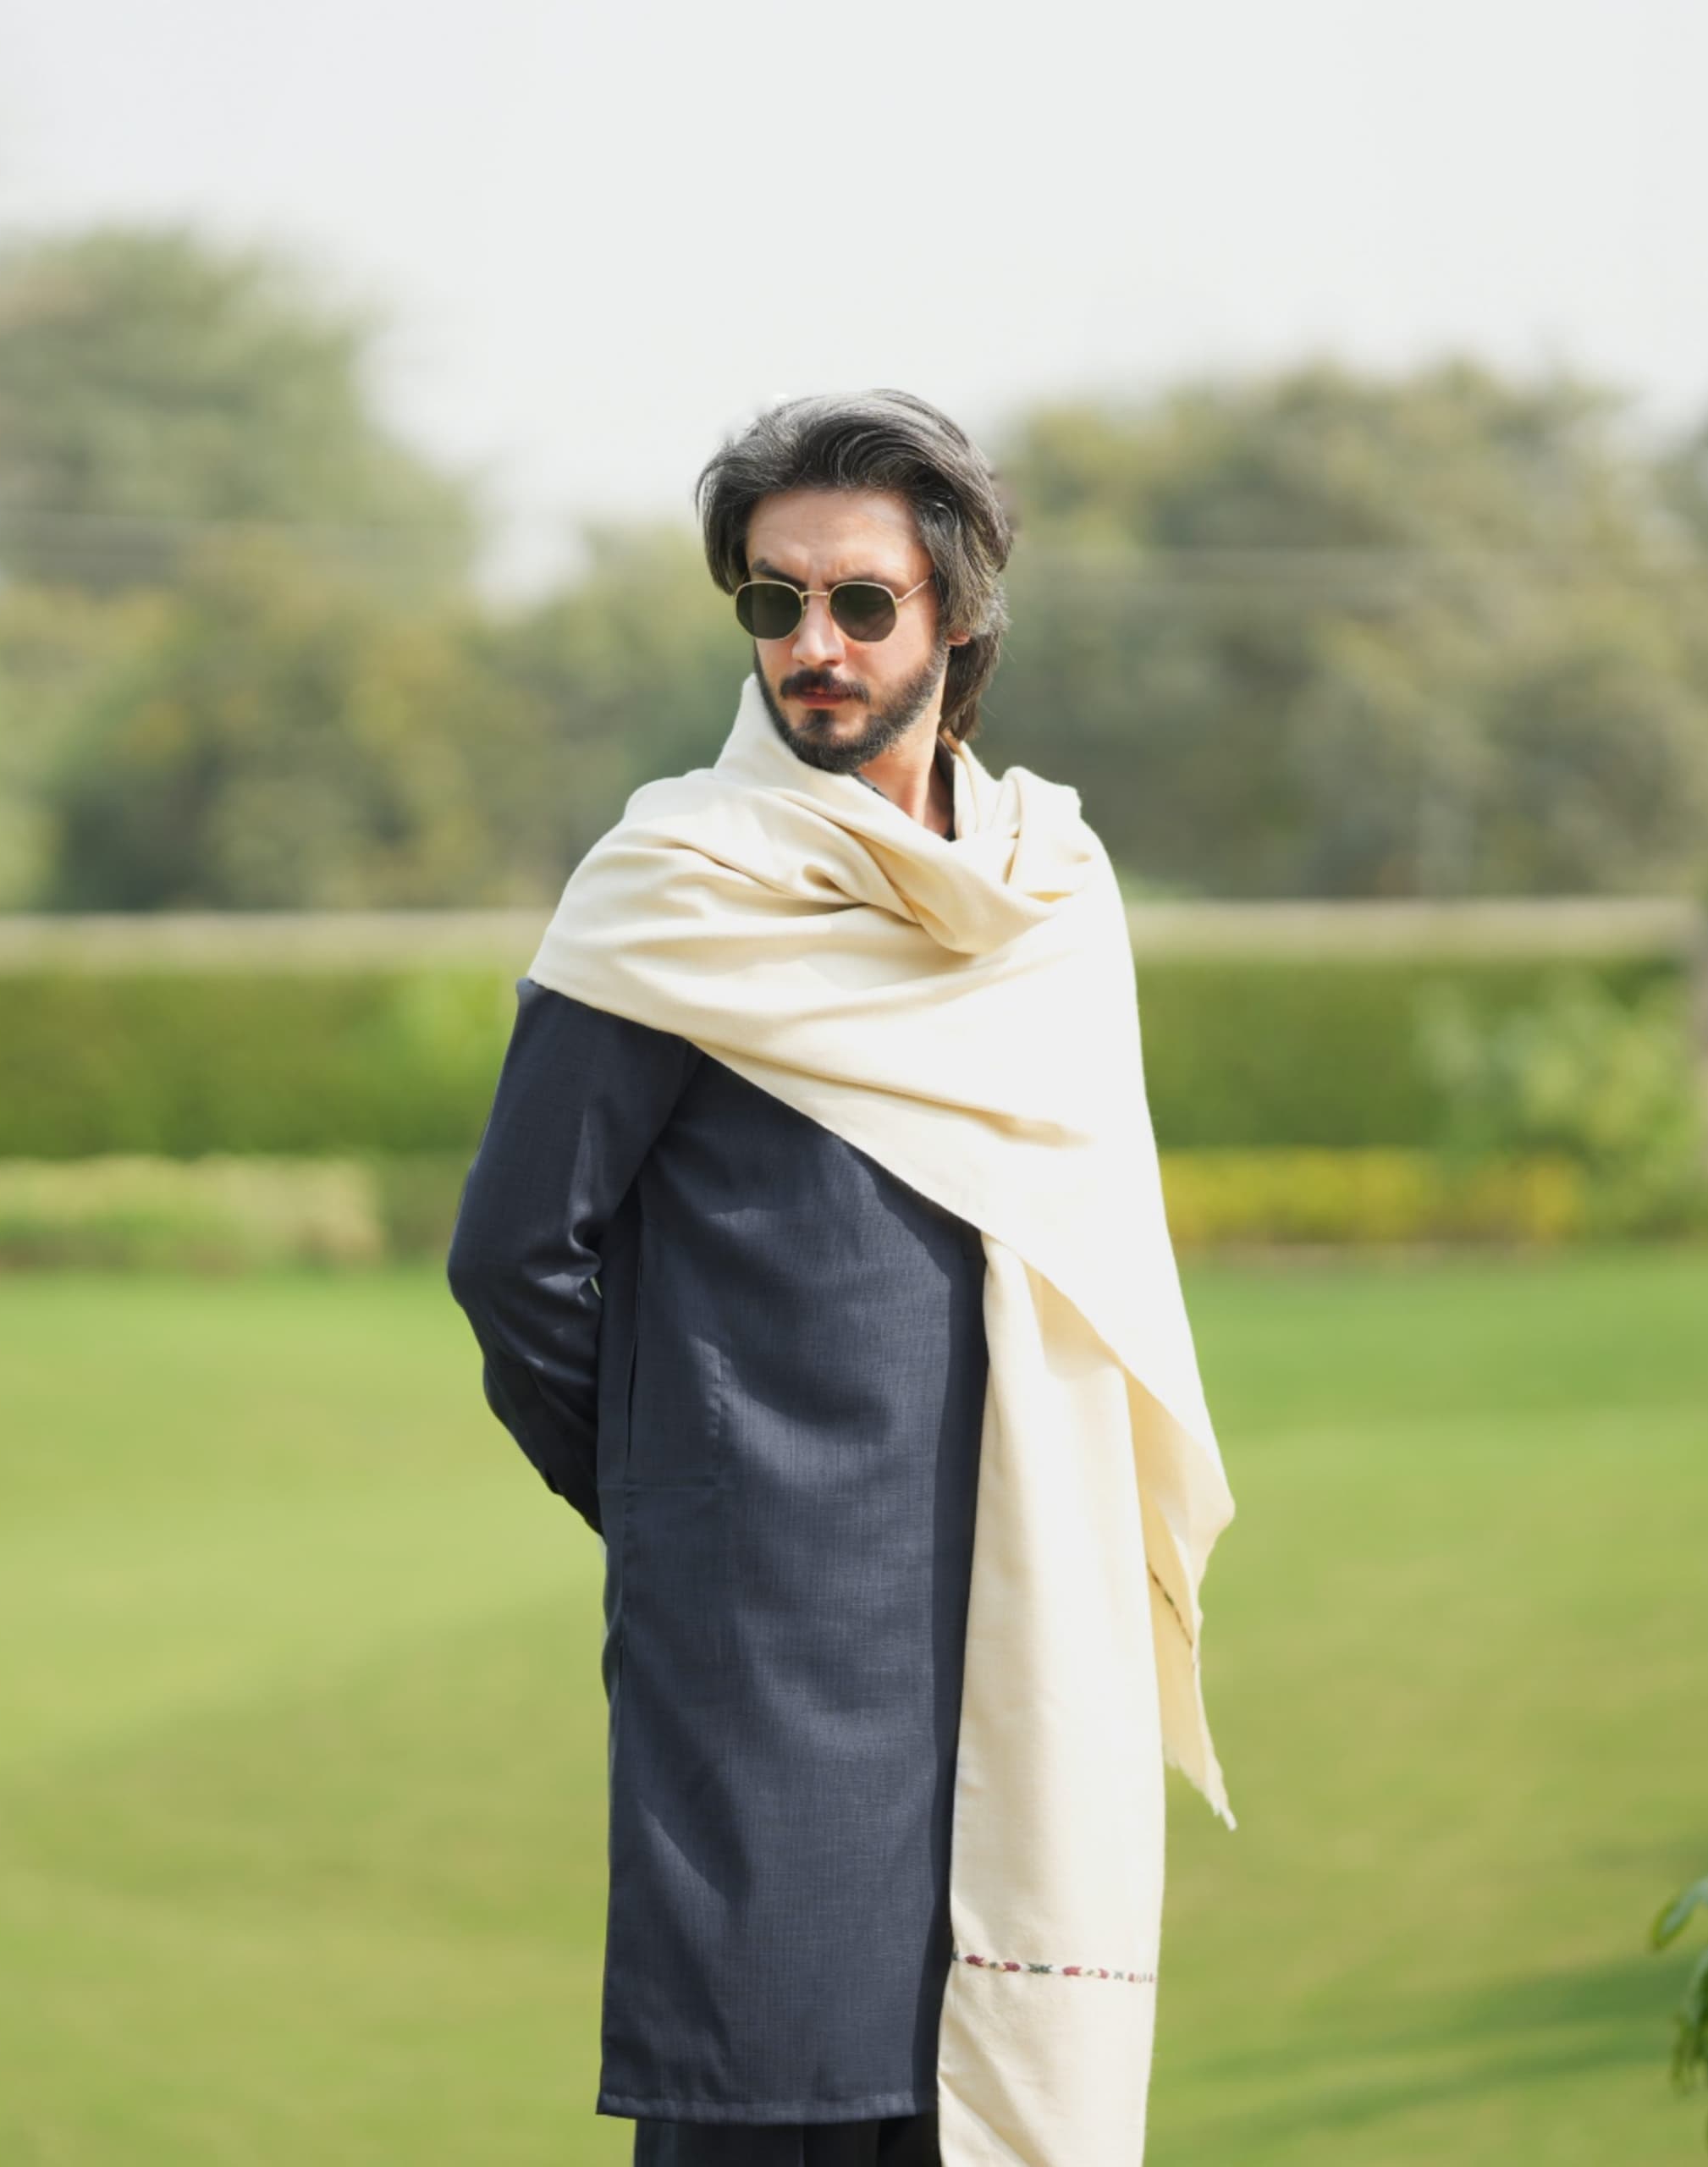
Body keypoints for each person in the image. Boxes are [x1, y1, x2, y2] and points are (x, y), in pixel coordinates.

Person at [446, 391, 1235, 2167]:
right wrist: (689, 1499)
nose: (814, 642)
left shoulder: (1053, 890)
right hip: (768, 1645)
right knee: (777, 2095)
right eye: (773, 600)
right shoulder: (675, 885)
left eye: (861, 601)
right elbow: (514, 1258)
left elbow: (1096, 1239)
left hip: (1032, 1600)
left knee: (990, 2097)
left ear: (956, 616)